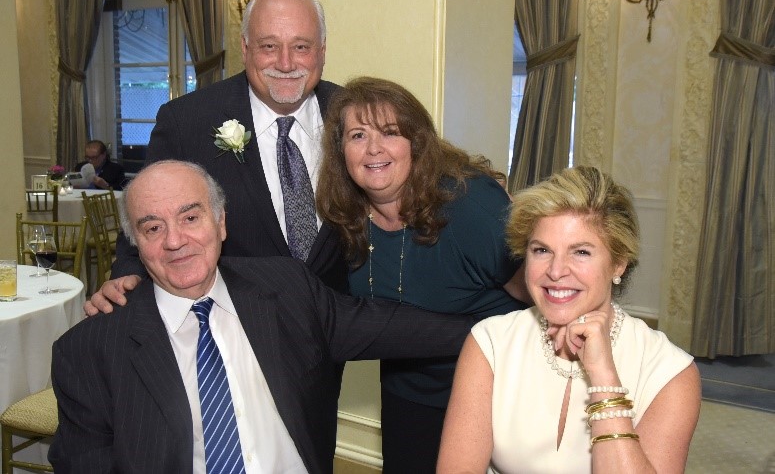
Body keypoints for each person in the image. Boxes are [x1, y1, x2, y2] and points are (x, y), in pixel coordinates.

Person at [49, 160, 475, 474]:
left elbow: (388, 326)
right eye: (153, 228)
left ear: (221, 223)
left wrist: (502, 332)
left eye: (190, 217)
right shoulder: (89, 350)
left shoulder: (285, 288)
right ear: (135, 243)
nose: (175, 241)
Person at [86, 0, 345, 314]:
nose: (285, 62)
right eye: (269, 45)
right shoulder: (187, 121)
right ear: (245, 47)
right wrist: (127, 280)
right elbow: (146, 217)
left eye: (301, 46)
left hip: (330, 327)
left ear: (322, 51)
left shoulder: (353, 115)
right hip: (229, 326)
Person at [316, 77, 529, 472]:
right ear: (340, 152)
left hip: (496, 393)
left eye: (390, 132)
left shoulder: (470, 206)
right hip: (406, 391)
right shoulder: (343, 221)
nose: (374, 148)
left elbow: (538, 292)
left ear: (416, 142)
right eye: (358, 135)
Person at [437, 166, 701, 473]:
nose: (556, 270)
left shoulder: (669, 371)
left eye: (581, 252)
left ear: (618, 264)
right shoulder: (491, 344)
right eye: (542, 250)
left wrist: (604, 376)